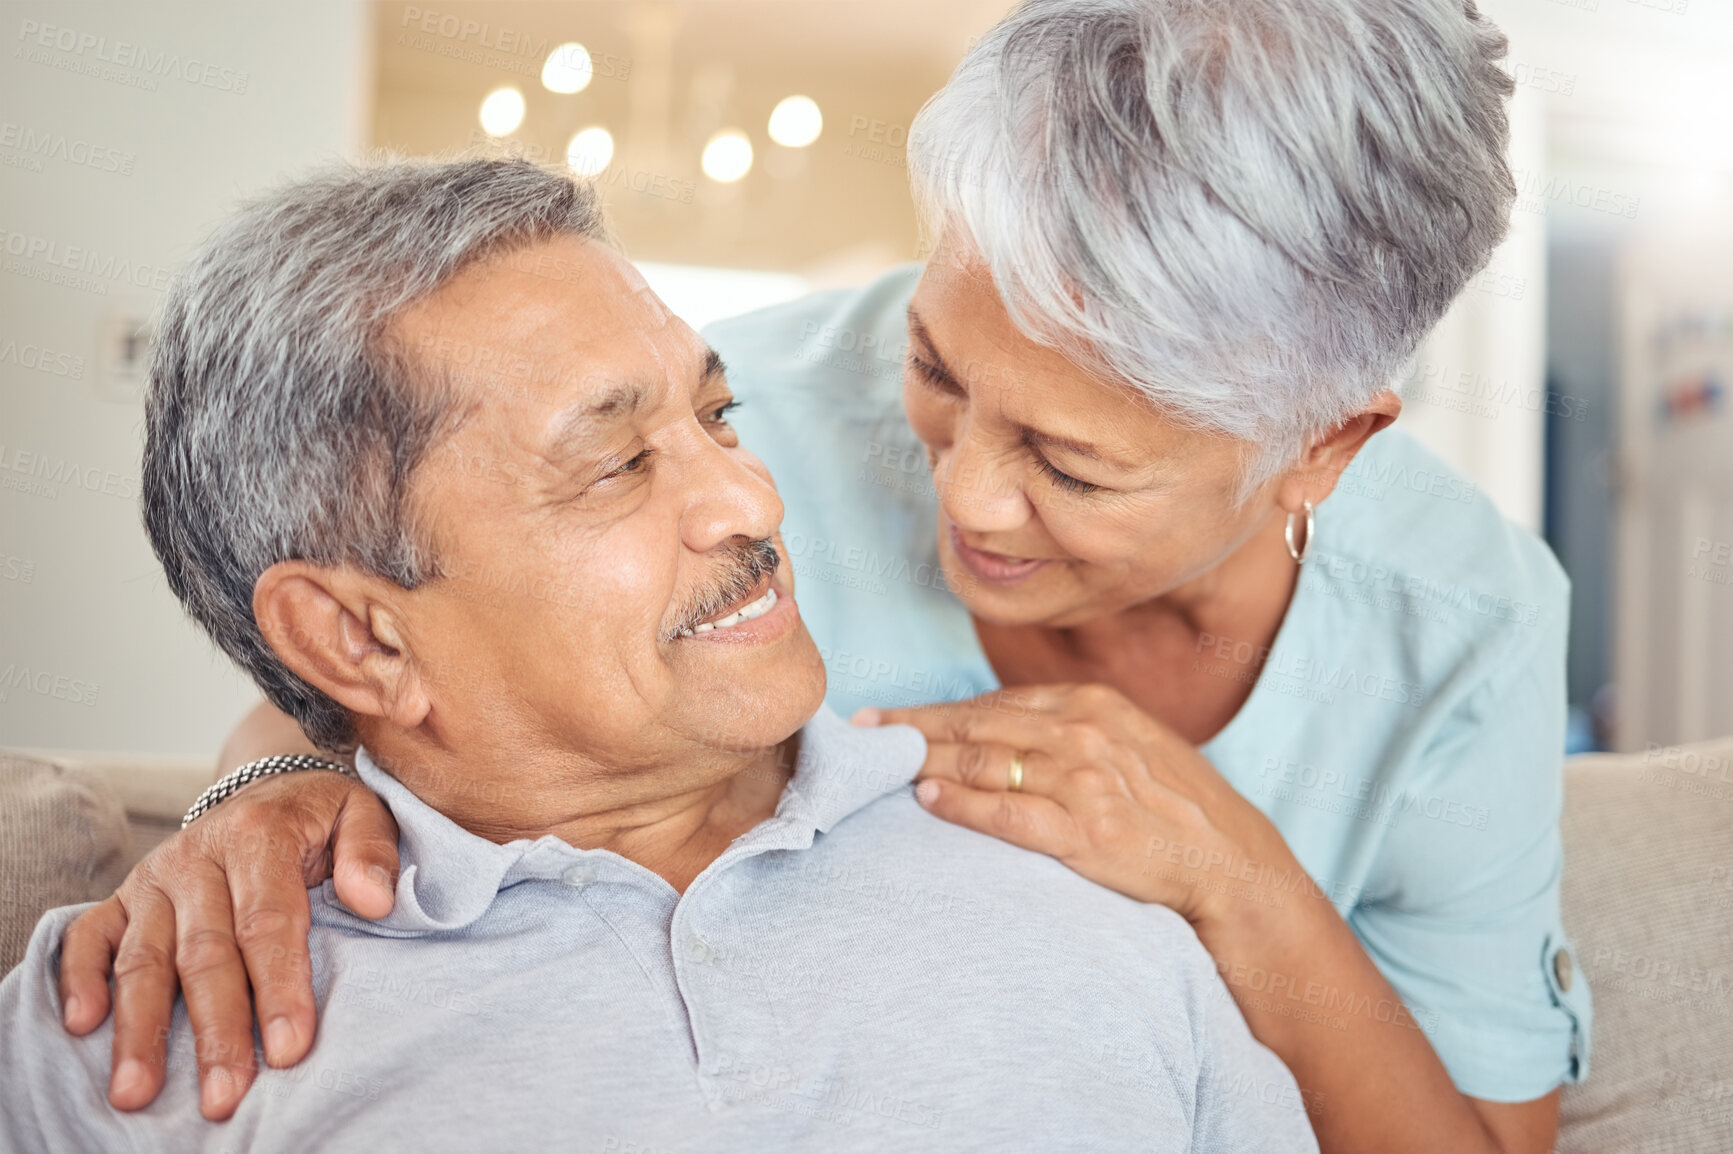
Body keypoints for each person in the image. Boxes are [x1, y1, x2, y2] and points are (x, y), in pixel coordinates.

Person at [56, 1, 1590, 1152]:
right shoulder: (733, 416)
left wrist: (1227, 870)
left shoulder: (1458, 622)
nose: (963, 493)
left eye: (1069, 462)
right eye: (933, 364)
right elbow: (389, 638)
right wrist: (254, 798)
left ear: (1319, 447)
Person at [0, 158, 1318, 1153]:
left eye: (716, 413)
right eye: (618, 461)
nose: (750, 500)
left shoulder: (1071, 862)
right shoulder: (137, 1022)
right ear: (358, 635)